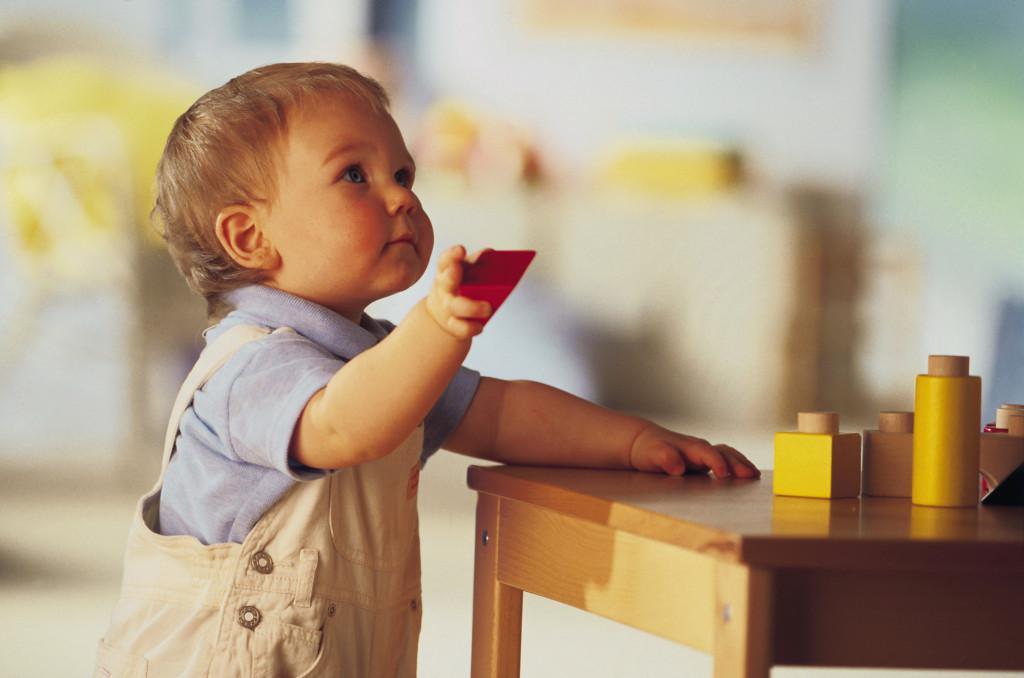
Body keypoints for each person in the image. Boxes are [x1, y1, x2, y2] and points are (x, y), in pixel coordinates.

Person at [95, 62, 760, 677]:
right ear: (249, 238)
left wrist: (636, 441)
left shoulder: (377, 354)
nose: (401, 198)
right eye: (355, 176)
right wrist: (437, 327)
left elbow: (502, 415)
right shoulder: (251, 366)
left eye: (404, 175)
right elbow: (347, 425)